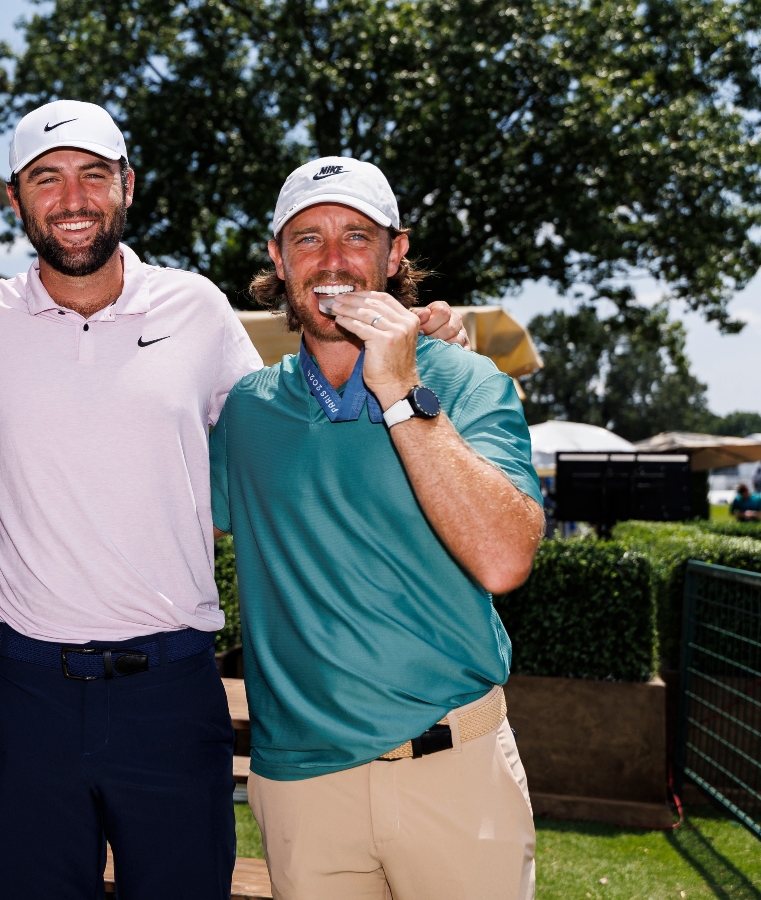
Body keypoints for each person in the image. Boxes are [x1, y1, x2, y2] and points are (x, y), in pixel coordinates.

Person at [0, 101, 470, 900]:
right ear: (15, 201)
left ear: (127, 185)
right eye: (45, 178)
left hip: (170, 692)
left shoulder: (197, 308)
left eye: (93, 174)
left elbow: (285, 420)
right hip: (23, 695)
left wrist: (427, 338)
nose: (72, 197)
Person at [210, 157, 545, 900]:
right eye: (308, 239)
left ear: (395, 254)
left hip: (455, 771)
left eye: (357, 237)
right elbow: (162, 523)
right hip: (301, 782)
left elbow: (503, 558)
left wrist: (399, 388)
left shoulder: (466, 383)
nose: (333, 261)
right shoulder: (247, 409)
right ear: (278, 259)